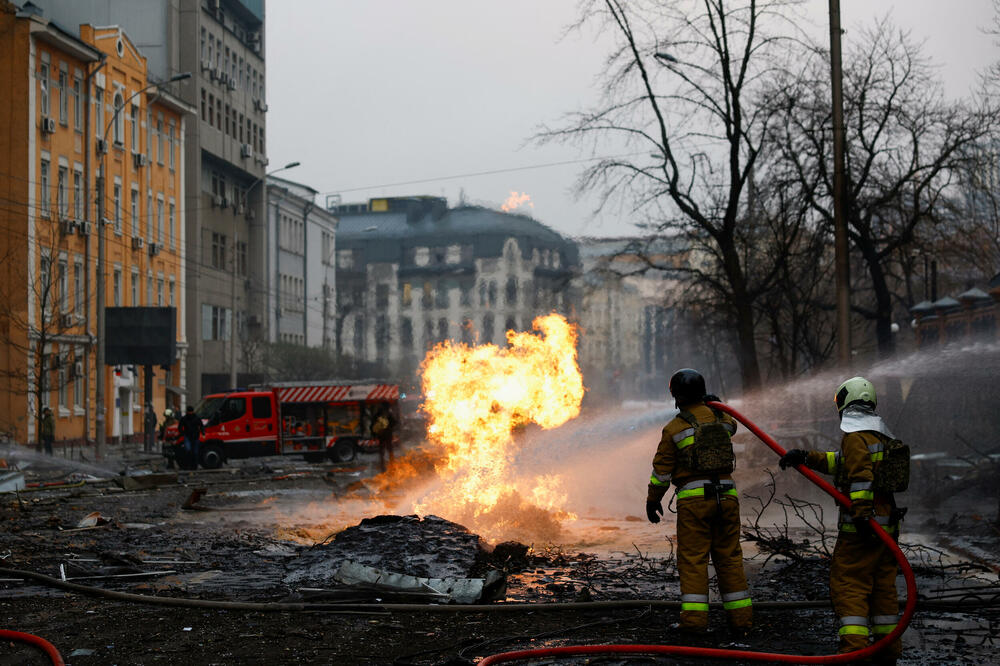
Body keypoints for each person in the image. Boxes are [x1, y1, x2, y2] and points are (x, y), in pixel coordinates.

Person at [778, 376, 905, 663]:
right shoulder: (878, 434)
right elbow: (841, 462)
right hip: (886, 528)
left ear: (846, 402)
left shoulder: (855, 436)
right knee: (883, 588)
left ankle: (854, 650)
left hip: (861, 530)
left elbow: (861, 477)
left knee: (850, 585)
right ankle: (887, 650)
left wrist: (860, 513)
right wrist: (805, 457)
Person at [645, 369, 752, 634]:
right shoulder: (721, 419)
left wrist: (652, 500)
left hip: (695, 503)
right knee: (729, 557)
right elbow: (732, 424)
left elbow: (662, 472)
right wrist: (715, 405)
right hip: (727, 497)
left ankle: (694, 623)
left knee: (693, 560)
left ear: (676, 396)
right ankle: (742, 621)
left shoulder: (675, 428)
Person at [371, 403, 396, 473]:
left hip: (381, 435)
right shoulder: (389, 414)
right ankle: (391, 466)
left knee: (382, 451)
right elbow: (394, 422)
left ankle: (383, 467)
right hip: (387, 435)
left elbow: (372, 426)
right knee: (389, 450)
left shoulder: (377, 415)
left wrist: (374, 435)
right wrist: (389, 428)